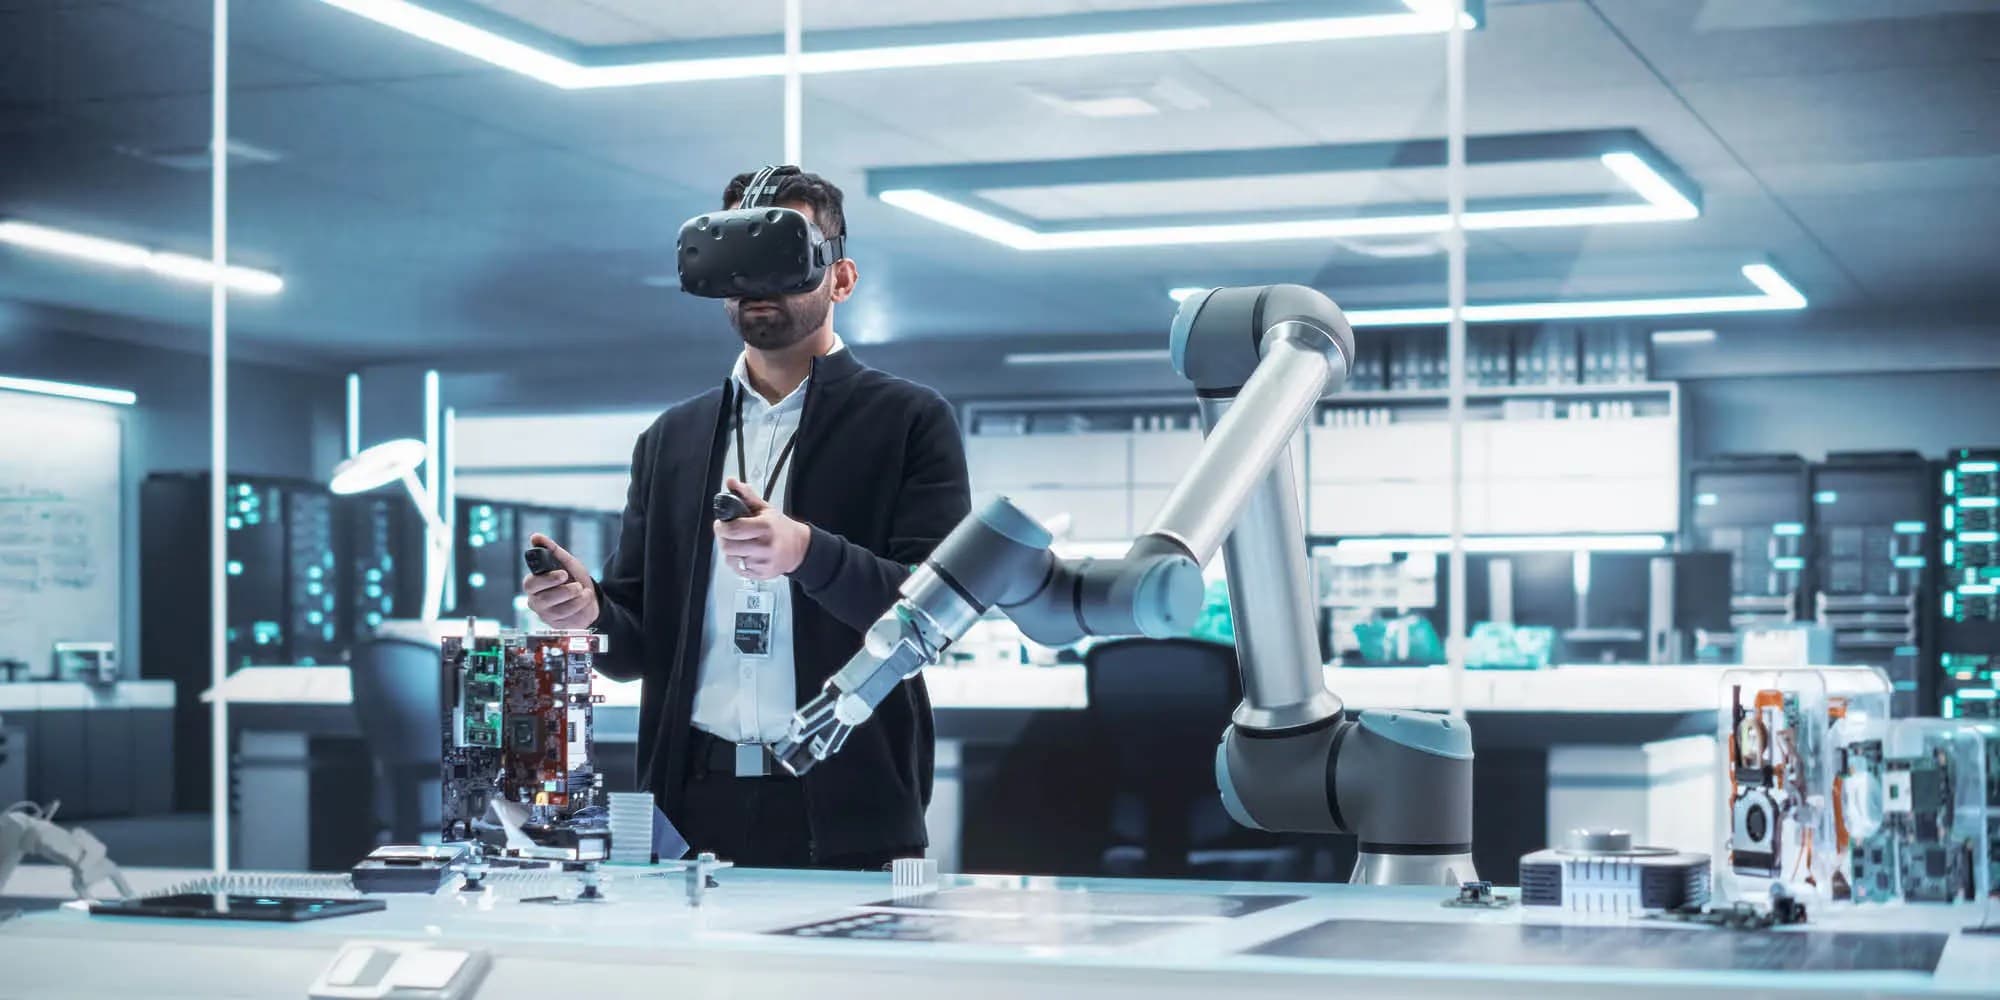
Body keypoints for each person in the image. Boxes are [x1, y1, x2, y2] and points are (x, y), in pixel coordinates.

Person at [521, 167, 971, 871]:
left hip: (849, 805)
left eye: (781, 254)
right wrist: (590, 615)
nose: (756, 280)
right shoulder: (671, 440)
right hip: (691, 806)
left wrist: (807, 553)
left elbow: (937, 614)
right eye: (737, 255)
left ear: (841, 278)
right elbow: (636, 649)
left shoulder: (909, 421)